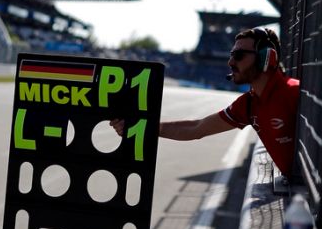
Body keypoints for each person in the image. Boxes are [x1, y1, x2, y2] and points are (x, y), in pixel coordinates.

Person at [110, 27, 300, 174]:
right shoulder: (249, 104)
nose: (231, 62)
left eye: (238, 55)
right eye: (231, 55)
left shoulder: (294, 93)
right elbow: (197, 128)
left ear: (266, 58)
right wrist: (141, 129)